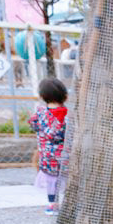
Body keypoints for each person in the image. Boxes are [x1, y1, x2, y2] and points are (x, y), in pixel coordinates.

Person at [29, 77, 68, 215]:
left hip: (46, 156)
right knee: (65, 180)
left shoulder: (39, 113)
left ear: (42, 96)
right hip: (63, 157)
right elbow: (62, 134)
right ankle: (66, 203)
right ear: (65, 96)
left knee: (51, 181)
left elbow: (33, 124)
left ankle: (52, 204)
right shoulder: (66, 115)